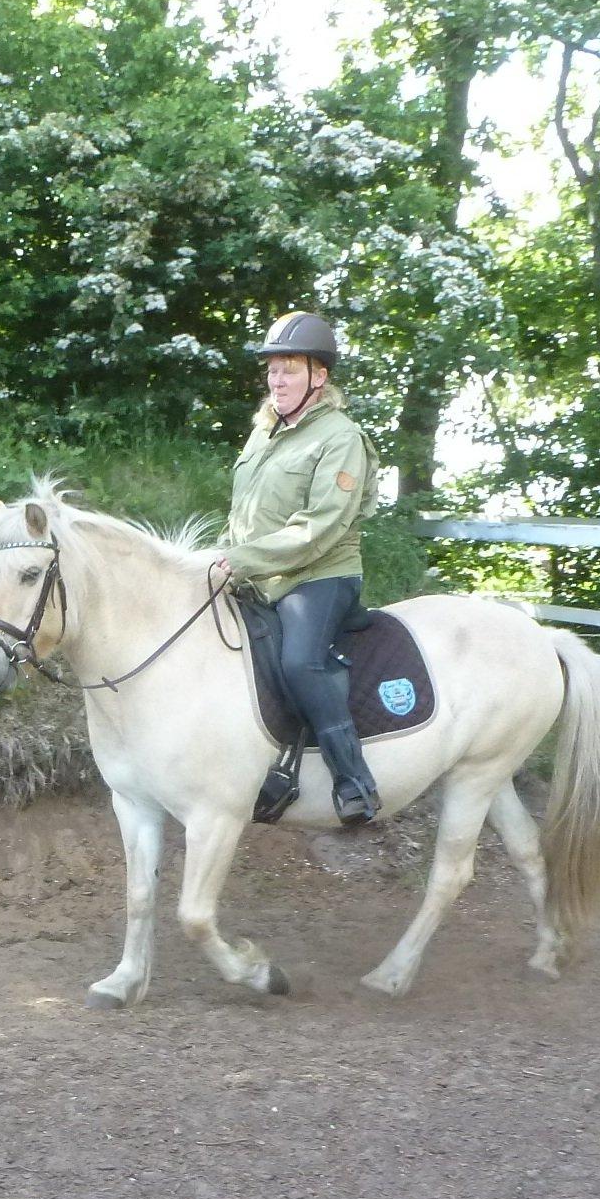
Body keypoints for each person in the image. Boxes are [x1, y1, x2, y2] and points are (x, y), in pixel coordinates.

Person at [216, 311, 382, 826]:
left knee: (298, 662)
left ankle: (354, 782)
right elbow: (244, 516)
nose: (277, 380)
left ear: (320, 376)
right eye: (271, 370)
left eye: (289, 369)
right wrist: (223, 555)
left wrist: (240, 560)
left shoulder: (340, 437)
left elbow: (320, 527)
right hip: (257, 573)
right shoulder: (263, 435)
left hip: (320, 575)